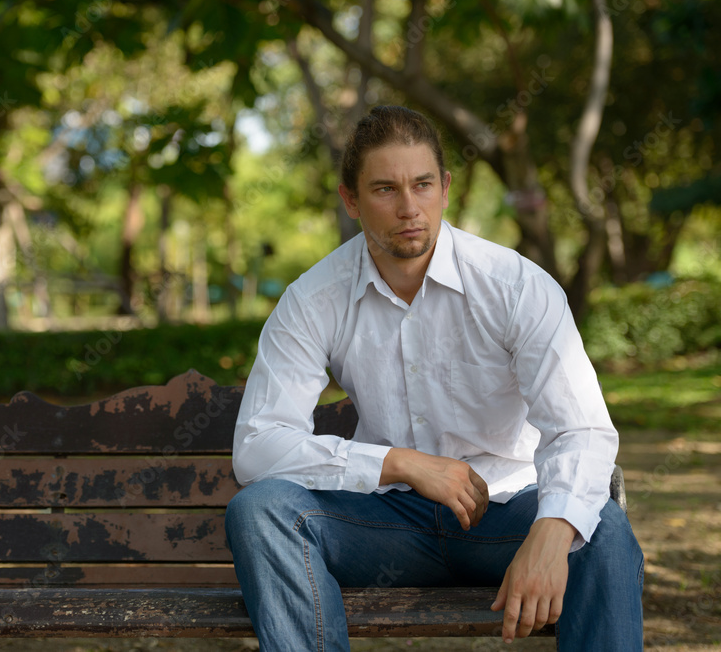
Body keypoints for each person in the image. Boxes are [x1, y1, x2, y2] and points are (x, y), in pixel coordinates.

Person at [225, 105, 644, 651]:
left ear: (444, 188)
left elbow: (582, 430)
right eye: (384, 189)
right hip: (387, 525)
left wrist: (550, 530)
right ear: (350, 200)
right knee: (260, 512)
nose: (408, 208)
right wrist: (399, 463)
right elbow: (257, 446)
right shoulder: (313, 299)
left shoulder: (514, 285)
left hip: (506, 517)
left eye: (422, 185)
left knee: (602, 532)